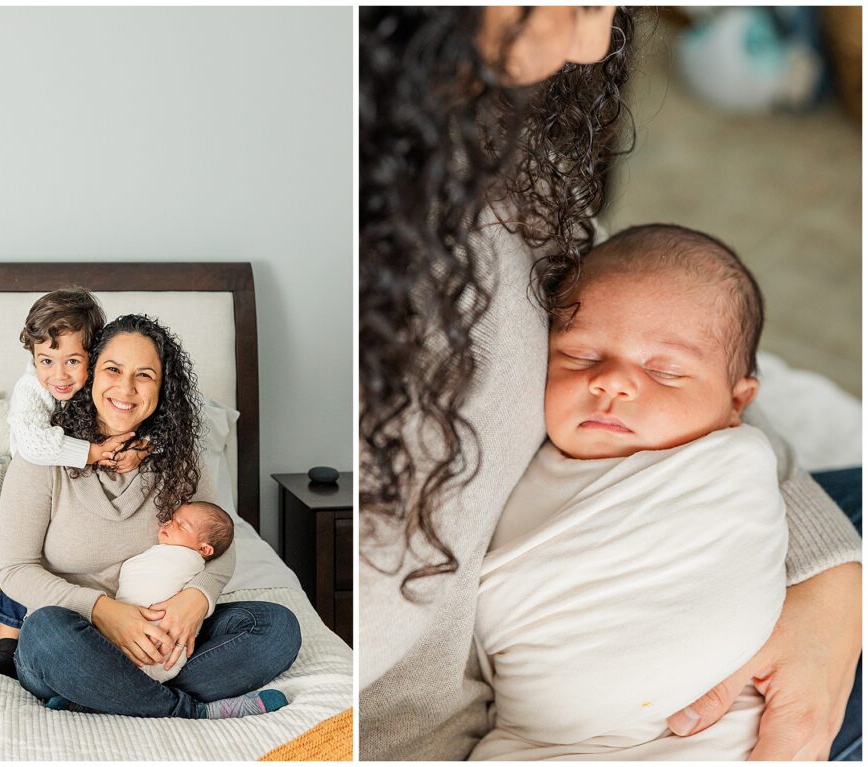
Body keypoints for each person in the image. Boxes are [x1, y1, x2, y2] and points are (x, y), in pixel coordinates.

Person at [359, 6, 861, 761]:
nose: (597, 41)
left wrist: (831, 582)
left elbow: (671, 325)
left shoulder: (473, 129)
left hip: (776, 580)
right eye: (578, 5)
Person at [474, 224, 786, 760]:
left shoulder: (729, 465)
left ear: (738, 404)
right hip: (545, 743)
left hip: (725, 729)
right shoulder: (518, 464)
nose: (612, 382)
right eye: (579, 356)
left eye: (664, 371)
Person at [0, 314, 300, 719]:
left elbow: (222, 542)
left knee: (276, 628)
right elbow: (16, 570)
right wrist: (106, 612)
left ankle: (102, 694)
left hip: (160, 636)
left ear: (162, 388)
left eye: (144, 375)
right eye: (113, 370)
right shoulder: (42, 458)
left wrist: (196, 599)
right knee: (45, 634)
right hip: (74, 635)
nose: (125, 388)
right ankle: (185, 709)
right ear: (89, 376)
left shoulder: (178, 459)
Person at [0, 288, 148, 679]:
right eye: (45, 361)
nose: (59, 375)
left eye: (73, 361)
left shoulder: (103, 388)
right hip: (33, 472)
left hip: (74, 479)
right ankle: (8, 646)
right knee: (25, 556)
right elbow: (35, 444)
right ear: (32, 359)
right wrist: (93, 453)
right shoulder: (32, 390)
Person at [117, 501, 235, 684]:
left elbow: (224, 553)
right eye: (171, 519)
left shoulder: (189, 559)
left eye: (180, 525)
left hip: (167, 649)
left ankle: (110, 694)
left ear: (203, 549)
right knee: (58, 626)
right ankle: (187, 704)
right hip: (112, 626)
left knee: (276, 624)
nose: (168, 523)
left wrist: (199, 595)